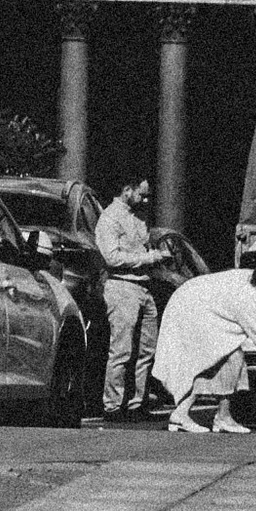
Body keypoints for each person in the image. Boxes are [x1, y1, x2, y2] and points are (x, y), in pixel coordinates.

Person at [158, 255, 256, 432]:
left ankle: (220, 416)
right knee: (219, 361)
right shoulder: (252, 301)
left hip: (191, 301)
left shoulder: (254, 278)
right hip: (189, 310)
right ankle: (186, 414)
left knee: (230, 359)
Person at [94, 175, 167, 418]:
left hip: (144, 286)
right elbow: (111, 257)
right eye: (141, 194)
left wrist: (155, 254)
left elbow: (141, 247)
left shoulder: (140, 217)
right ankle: (113, 404)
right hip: (122, 286)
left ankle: (138, 401)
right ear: (127, 190)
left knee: (147, 349)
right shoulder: (110, 218)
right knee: (121, 349)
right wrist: (148, 258)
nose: (145, 200)